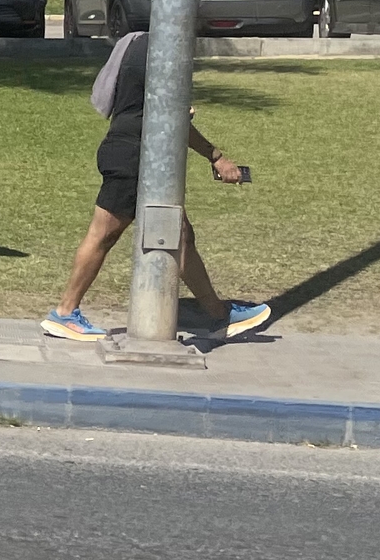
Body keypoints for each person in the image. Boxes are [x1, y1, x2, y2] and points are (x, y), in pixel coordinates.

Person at [42, 31, 270, 342]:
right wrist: (215, 156)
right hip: (134, 155)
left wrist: (209, 150)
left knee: (180, 236)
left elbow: (159, 110)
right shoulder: (161, 50)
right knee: (104, 235)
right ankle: (65, 312)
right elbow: (172, 117)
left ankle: (219, 314)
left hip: (129, 150)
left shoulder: (136, 44)